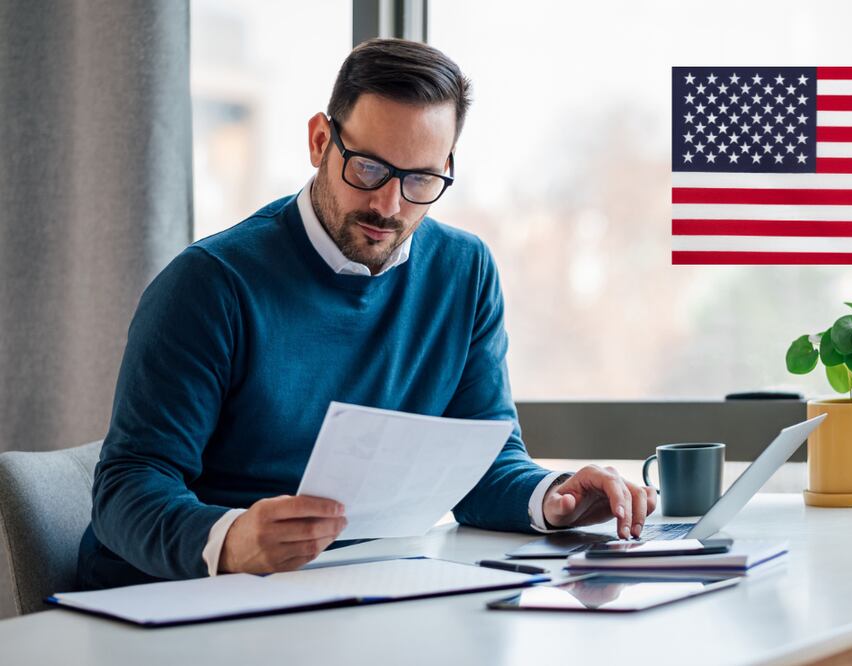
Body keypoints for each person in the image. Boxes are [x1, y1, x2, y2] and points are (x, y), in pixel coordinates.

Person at [77, 38, 657, 590]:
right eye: (370, 169)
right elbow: (127, 490)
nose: (389, 204)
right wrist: (231, 540)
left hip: (348, 588)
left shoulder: (465, 271)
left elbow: (484, 463)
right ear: (319, 141)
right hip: (175, 601)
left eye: (421, 179)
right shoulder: (209, 285)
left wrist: (554, 497)